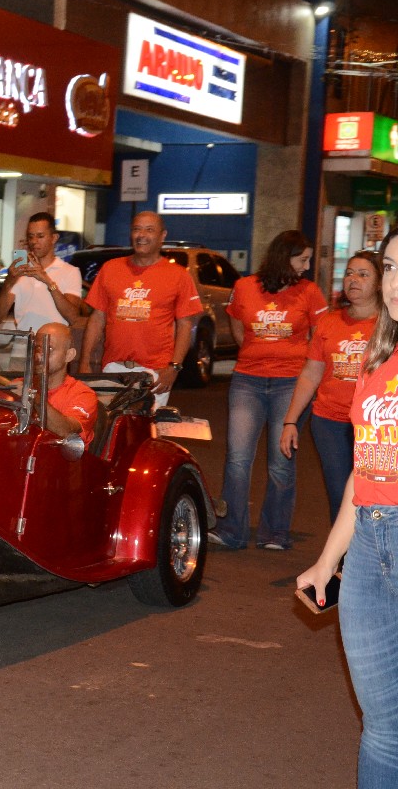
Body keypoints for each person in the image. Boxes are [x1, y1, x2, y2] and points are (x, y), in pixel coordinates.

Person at [297, 228, 398, 789]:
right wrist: (328, 561)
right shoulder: (376, 359)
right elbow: (366, 471)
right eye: (388, 267)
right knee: (382, 727)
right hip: (367, 549)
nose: (393, 283)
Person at [209, 230, 327, 551]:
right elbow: (237, 325)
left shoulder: (310, 292)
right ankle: (231, 529)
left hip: (291, 384)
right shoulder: (245, 287)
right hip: (247, 381)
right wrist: (256, 351)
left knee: (281, 460)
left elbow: (320, 338)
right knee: (237, 458)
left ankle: (275, 531)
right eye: (302, 259)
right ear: (283, 257)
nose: (306, 266)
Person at [279, 249, 381, 525]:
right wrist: (290, 421)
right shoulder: (329, 322)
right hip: (330, 421)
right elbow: (311, 373)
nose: (353, 280)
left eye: (363, 274)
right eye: (349, 273)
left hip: (375, 426)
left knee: (372, 493)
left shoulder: (389, 325)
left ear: (380, 282)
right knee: (340, 493)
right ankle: (345, 561)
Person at [80, 211, 202, 408]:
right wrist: (84, 362)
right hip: (113, 368)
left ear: (162, 236)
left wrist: (174, 368)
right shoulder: (111, 269)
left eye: (149, 230)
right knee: (111, 431)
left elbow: (185, 325)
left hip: (156, 373)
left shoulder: (178, 275)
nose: (141, 235)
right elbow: (97, 318)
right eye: (136, 229)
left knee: (147, 432)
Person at [0, 212, 85, 331]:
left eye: (40, 236)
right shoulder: (20, 272)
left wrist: (48, 281)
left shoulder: (70, 272)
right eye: (30, 236)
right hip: (23, 346)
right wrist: (9, 282)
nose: (34, 241)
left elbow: (73, 317)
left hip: (53, 346)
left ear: (54, 238)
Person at [33, 322, 98, 445]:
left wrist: (33, 397)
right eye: (37, 348)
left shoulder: (83, 395)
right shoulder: (19, 385)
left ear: (69, 355)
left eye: (49, 349)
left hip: (61, 462)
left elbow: (65, 431)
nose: (38, 355)